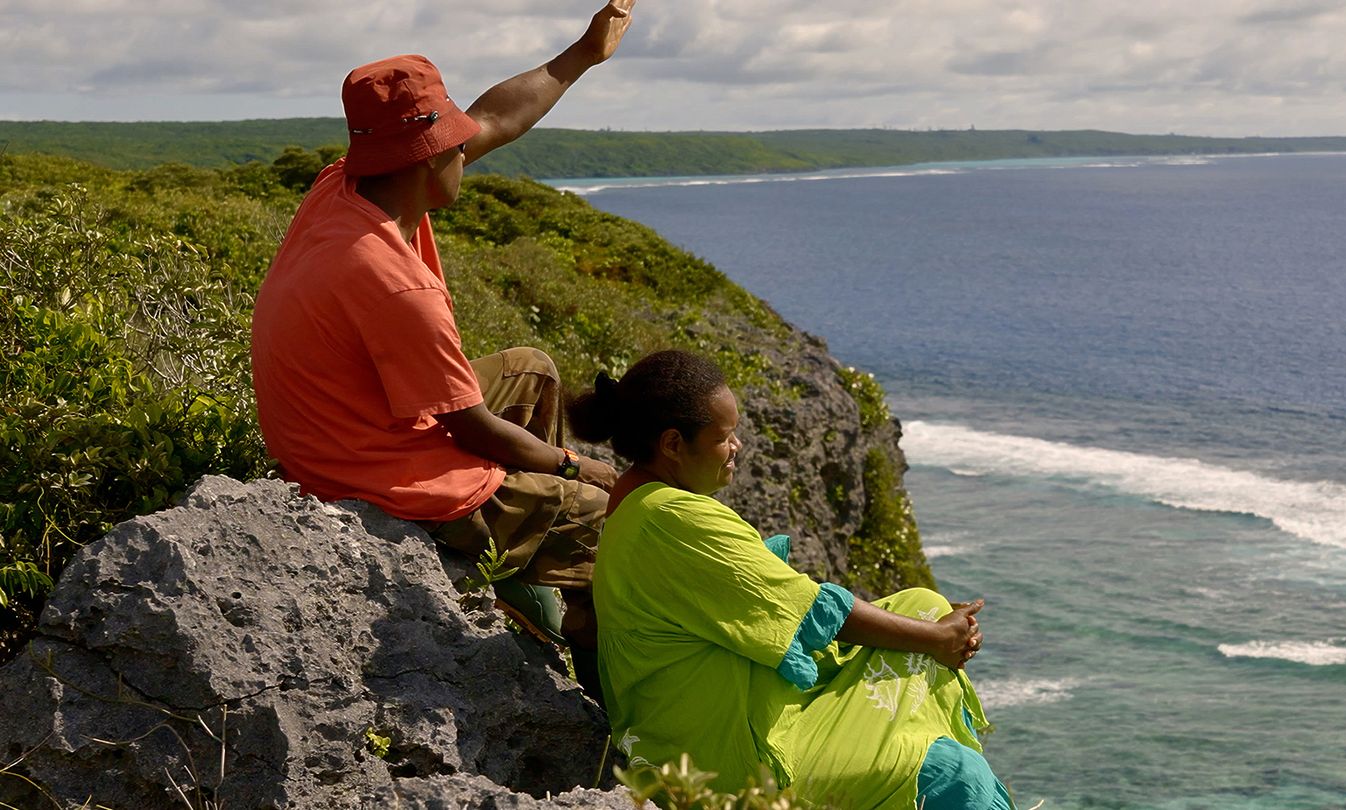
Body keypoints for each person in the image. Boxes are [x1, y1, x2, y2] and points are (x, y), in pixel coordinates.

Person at [249, 1, 638, 660]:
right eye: (458, 145)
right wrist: (585, 469)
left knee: (532, 368)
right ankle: (587, 655)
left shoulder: (346, 184)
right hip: (369, 479)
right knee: (610, 520)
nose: (471, 146)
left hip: (330, 437)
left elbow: (496, 118)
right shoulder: (396, 284)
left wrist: (583, 53)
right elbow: (474, 429)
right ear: (431, 161)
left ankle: (525, 561)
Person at [572, 350, 1013, 809]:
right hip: (725, 762)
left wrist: (935, 630)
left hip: (725, 714)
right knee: (955, 772)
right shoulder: (670, 519)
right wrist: (940, 638)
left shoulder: (642, 503)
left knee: (921, 602)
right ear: (672, 444)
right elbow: (809, 611)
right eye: (725, 437)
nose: (737, 446)